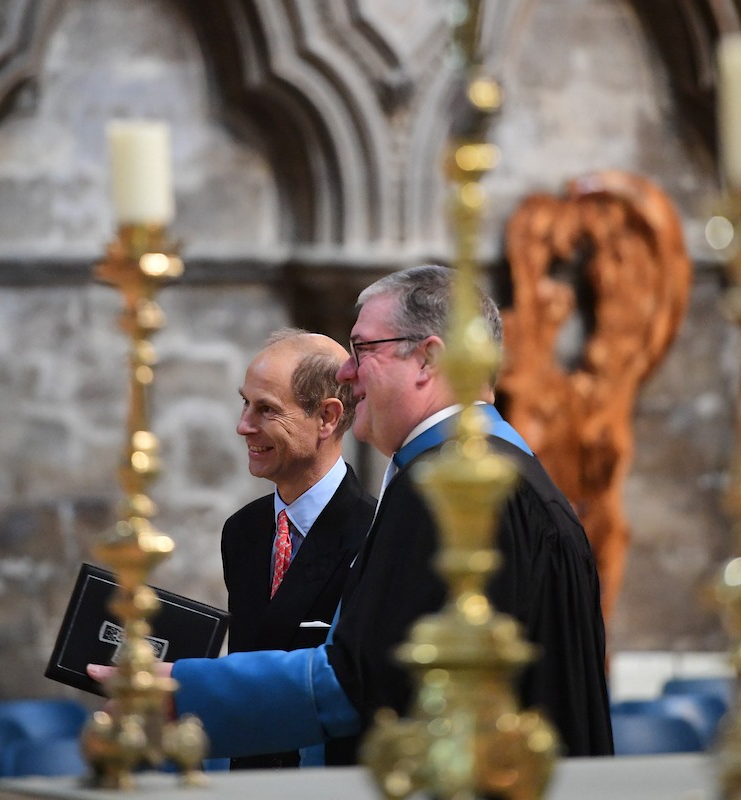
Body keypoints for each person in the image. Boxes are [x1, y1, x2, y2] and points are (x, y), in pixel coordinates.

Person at [89, 264, 613, 762]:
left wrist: (185, 692)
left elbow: (359, 682)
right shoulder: (510, 471)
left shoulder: (447, 485)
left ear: (428, 360)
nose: (346, 370)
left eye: (362, 350)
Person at [222, 329, 375, 769]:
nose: (243, 425)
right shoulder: (243, 531)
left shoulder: (373, 535)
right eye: (245, 403)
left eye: (266, 409)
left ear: (327, 418)